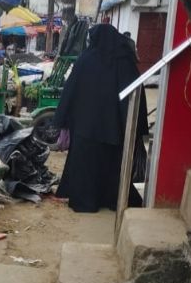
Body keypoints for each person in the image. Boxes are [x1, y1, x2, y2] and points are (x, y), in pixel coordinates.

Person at [53, 24, 148, 213]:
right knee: (113, 165)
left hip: (85, 127)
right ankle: (113, 200)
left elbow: (70, 91)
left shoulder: (85, 60)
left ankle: (85, 202)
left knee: (86, 165)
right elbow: (137, 95)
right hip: (115, 128)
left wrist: (61, 119)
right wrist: (137, 126)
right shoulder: (125, 61)